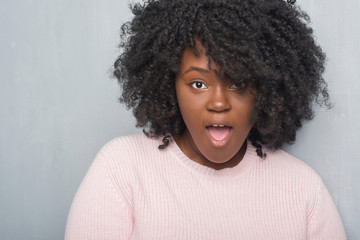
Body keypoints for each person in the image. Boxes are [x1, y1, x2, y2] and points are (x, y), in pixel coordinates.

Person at [65, 0, 346, 239]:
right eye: (198, 84)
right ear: (168, 84)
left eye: (239, 83)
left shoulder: (303, 191)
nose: (219, 103)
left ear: (267, 88)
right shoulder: (121, 171)